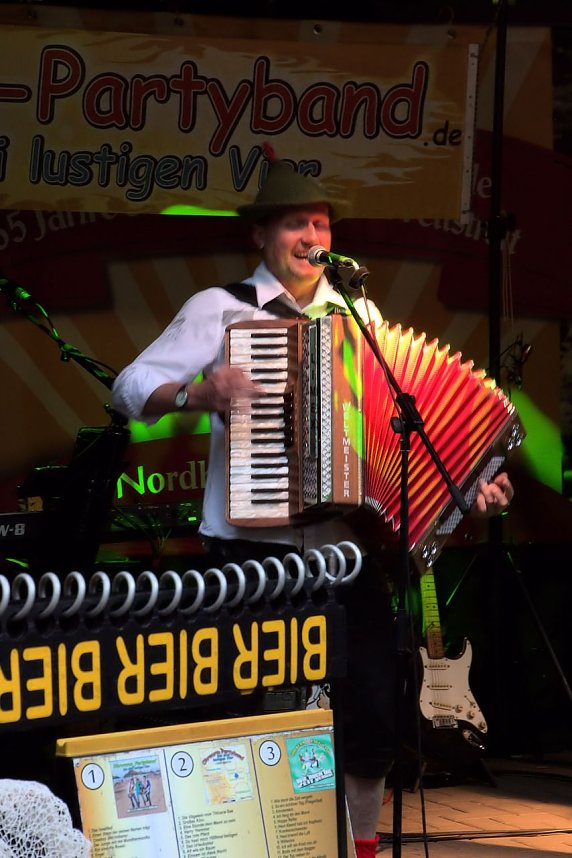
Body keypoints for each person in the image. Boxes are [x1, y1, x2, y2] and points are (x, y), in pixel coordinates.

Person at [112, 158, 514, 858]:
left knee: (371, 709)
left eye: (321, 221)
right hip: (250, 551)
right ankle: (237, 845)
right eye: (296, 220)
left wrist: (465, 485)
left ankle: (359, 848)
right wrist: (194, 395)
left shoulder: (361, 317)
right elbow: (130, 382)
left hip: (344, 549)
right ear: (262, 235)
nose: (312, 233)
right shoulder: (222, 307)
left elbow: (403, 435)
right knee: (246, 710)